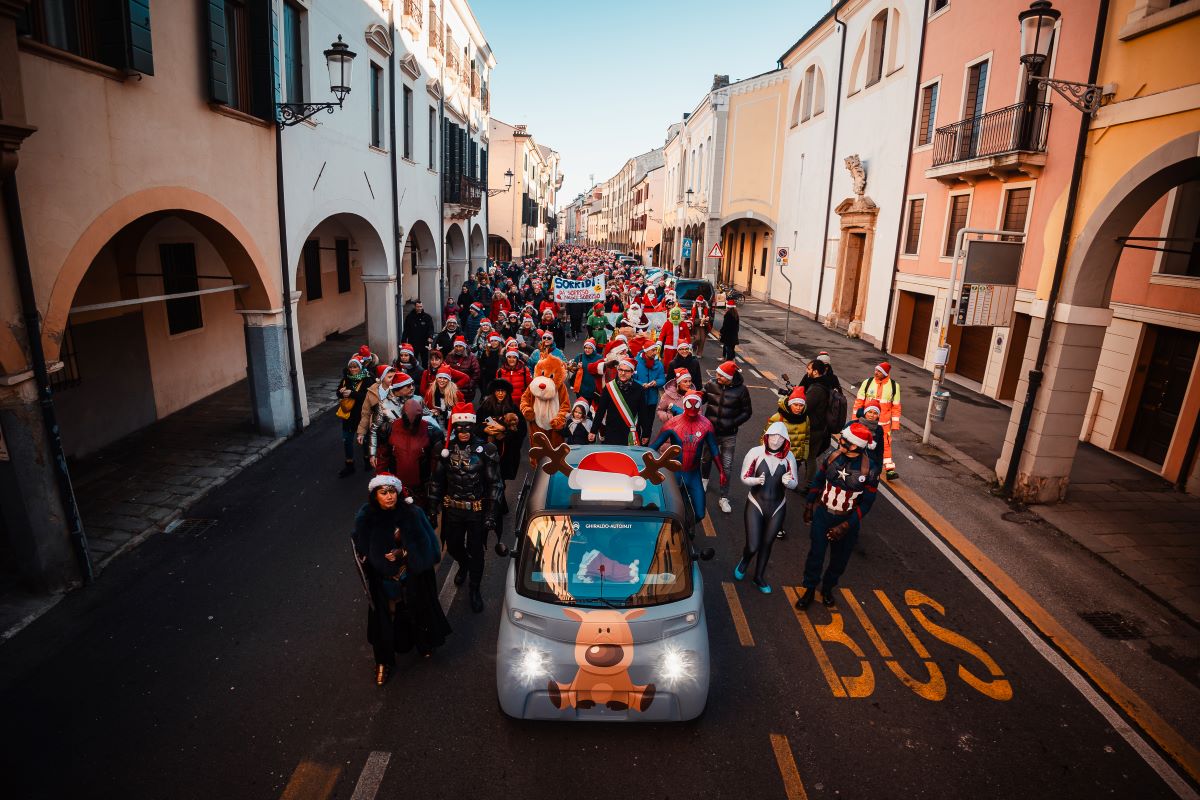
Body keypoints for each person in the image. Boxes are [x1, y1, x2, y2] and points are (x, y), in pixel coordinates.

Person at [353, 473, 451, 685]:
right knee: (382, 625)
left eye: (392, 492)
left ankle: (423, 643)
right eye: (383, 492)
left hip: (411, 578)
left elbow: (432, 550)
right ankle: (383, 663)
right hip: (382, 583)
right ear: (375, 495)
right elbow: (360, 550)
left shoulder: (413, 514)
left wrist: (404, 552)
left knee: (418, 613)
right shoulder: (365, 517)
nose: (389, 496)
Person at [796, 421, 880, 611]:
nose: (840, 442)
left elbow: (867, 503)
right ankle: (809, 588)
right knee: (815, 555)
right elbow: (819, 479)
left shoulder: (871, 469)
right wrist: (809, 504)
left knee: (839, 559)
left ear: (857, 445)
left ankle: (827, 589)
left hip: (847, 520)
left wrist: (845, 526)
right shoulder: (833, 456)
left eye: (845, 441)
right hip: (823, 514)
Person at [428, 402, 503, 613]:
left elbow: (495, 484)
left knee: (476, 551)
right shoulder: (444, 450)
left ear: (473, 427)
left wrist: (491, 513)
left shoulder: (486, 450)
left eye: (467, 428)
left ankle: (474, 588)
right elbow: (436, 481)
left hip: (477, 511)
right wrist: (433, 509)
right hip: (453, 509)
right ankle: (463, 564)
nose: (463, 432)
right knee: (452, 546)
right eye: (459, 428)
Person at [733, 421, 800, 594]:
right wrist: (755, 480)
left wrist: (789, 482)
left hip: (778, 506)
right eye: (773, 436)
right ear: (767, 436)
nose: (776, 440)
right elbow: (744, 476)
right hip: (756, 503)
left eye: (780, 437)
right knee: (753, 545)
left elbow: (794, 483)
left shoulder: (789, 457)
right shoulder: (755, 452)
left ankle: (759, 576)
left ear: (785, 439)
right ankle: (745, 560)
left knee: (767, 543)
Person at [649, 392, 723, 524]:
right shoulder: (672, 424)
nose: (693, 408)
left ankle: (688, 530)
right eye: (689, 404)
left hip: (693, 473)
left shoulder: (706, 425)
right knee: (670, 512)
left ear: (700, 406)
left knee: (700, 513)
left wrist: (722, 471)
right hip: (674, 472)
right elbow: (653, 447)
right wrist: (646, 465)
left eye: (696, 405)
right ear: (684, 404)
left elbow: (714, 449)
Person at [701, 361, 753, 513]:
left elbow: (747, 412)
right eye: (717, 375)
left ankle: (724, 497)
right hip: (710, 432)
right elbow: (699, 399)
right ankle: (704, 481)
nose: (717, 378)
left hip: (729, 435)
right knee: (706, 458)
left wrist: (732, 423)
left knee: (727, 467)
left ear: (729, 377)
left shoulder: (742, 391)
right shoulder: (711, 384)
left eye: (720, 376)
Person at [375, 398, 443, 511]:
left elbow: (436, 466)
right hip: (396, 489)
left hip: (421, 490)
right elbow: (382, 458)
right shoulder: (388, 430)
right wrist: (380, 485)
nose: (411, 427)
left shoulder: (432, 432)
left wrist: (434, 496)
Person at [476, 378, 524, 515]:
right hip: (488, 449)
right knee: (488, 477)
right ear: (494, 392)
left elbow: (521, 431)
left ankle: (498, 505)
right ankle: (495, 505)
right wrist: (485, 430)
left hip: (506, 451)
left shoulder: (513, 408)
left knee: (500, 478)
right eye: (498, 391)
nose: (500, 394)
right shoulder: (485, 406)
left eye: (503, 391)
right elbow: (476, 424)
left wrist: (505, 432)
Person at [854, 361, 903, 480]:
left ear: (885, 373)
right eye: (876, 370)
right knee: (861, 442)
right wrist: (855, 419)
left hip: (884, 423)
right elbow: (859, 401)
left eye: (879, 371)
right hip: (866, 421)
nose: (876, 373)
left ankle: (889, 470)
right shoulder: (868, 382)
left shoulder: (894, 386)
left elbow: (896, 406)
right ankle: (855, 463)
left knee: (886, 445)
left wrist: (895, 424)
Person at [336, 357, 376, 477]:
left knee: (364, 440)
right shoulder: (345, 379)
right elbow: (338, 392)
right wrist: (341, 392)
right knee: (347, 440)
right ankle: (349, 465)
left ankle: (367, 461)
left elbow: (370, 397)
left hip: (362, 415)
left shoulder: (368, 379)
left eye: (355, 367)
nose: (353, 369)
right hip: (348, 416)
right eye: (351, 367)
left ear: (360, 367)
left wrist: (352, 394)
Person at [801, 359, 841, 479]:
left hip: (814, 427)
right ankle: (810, 482)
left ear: (815, 372)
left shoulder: (816, 389)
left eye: (809, 369)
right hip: (820, 426)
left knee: (809, 456)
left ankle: (809, 484)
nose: (806, 371)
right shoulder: (824, 383)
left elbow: (805, 407)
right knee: (811, 456)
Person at [591, 358, 645, 446]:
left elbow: (643, 413)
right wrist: (593, 431)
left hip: (630, 433)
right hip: (612, 432)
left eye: (626, 371)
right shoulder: (609, 388)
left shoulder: (639, 389)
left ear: (632, 372)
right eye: (620, 370)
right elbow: (600, 411)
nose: (623, 373)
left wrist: (645, 434)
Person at [634, 343, 665, 444]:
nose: (655, 353)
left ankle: (645, 444)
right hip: (638, 399)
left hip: (651, 400)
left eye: (656, 350)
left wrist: (656, 382)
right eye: (653, 350)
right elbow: (631, 379)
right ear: (646, 351)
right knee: (636, 424)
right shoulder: (636, 362)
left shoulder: (658, 364)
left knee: (648, 425)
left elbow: (662, 379)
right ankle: (636, 443)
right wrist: (640, 385)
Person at [445, 335, 482, 401]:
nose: (458, 348)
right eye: (456, 346)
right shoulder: (449, 356)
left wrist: (470, 385)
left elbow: (476, 373)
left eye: (460, 346)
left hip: (467, 390)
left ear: (464, 347)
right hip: (452, 388)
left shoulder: (472, 357)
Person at [570, 338, 604, 403]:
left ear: (593, 349)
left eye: (589, 348)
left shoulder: (599, 358)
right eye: (585, 347)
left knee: (591, 411)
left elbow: (602, 372)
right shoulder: (579, 357)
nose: (587, 350)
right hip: (581, 389)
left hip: (594, 390)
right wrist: (577, 367)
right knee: (582, 409)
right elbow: (572, 370)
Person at [402, 301, 435, 367]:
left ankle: (425, 374)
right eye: (418, 307)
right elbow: (406, 330)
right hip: (413, 343)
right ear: (415, 307)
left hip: (424, 343)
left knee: (425, 361)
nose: (419, 308)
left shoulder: (427, 317)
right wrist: (403, 342)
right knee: (413, 360)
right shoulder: (410, 317)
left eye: (420, 307)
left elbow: (431, 328)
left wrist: (430, 336)